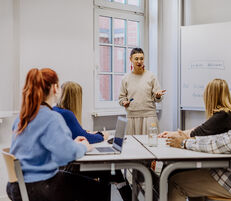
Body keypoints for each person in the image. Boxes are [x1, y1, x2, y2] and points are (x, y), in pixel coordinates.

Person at [6, 68, 106, 201]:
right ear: (54, 88)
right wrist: (84, 147)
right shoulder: (51, 117)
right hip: (39, 187)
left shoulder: (22, 117)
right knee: (100, 189)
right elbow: (65, 155)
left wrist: (71, 144)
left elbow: (37, 150)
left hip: (16, 186)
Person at [53, 81, 132, 201]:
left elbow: (77, 133)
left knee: (110, 172)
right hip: (69, 168)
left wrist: (88, 132)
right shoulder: (67, 114)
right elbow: (86, 138)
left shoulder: (56, 110)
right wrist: (102, 135)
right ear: (75, 98)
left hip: (61, 165)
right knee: (112, 172)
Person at [159, 78, 231, 139]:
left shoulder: (222, 115)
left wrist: (172, 135)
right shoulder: (228, 113)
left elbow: (196, 133)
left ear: (209, 96)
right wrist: (174, 133)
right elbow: (202, 128)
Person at [119, 48, 166, 135]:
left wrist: (158, 96)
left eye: (141, 58)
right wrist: (124, 102)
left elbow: (158, 98)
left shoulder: (151, 76)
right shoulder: (125, 78)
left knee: (151, 144)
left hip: (149, 117)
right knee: (132, 145)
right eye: (136, 59)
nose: (139, 61)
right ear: (130, 59)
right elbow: (121, 98)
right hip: (132, 117)